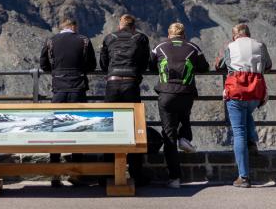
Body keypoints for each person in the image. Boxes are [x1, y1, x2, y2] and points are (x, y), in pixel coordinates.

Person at [150, 22, 209, 188]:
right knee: (184, 115)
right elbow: (204, 68)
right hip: (186, 93)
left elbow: (150, 64)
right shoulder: (193, 47)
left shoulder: (159, 47)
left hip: (166, 94)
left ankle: (174, 178)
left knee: (169, 136)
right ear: (184, 35)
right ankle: (185, 137)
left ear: (169, 34)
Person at [39, 17, 97, 186]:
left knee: (55, 131)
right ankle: (76, 174)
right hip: (77, 88)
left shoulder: (51, 40)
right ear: (74, 27)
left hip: (58, 89)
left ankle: (55, 175)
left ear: (61, 27)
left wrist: (56, 72)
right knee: (78, 130)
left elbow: (44, 64)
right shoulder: (84, 40)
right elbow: (91, 65)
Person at [215, 23, 272, 188]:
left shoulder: (230, 46)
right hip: (256, 92)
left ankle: (244, 177)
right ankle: (252, 141)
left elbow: (219, 65)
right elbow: (268, 65)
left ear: (234, 36)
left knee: (238, 133)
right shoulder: (260, 45)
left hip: (237, 90)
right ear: (248, 33)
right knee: (247, 112)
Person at [100, 14, 150, 185]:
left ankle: (108, 173)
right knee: (133, 128)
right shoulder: (140, 38)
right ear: (133, 26)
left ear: (119, 25)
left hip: (112, 84)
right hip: (131, 84)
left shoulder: (109, 38)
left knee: (109, 126)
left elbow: (103, 63)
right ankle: (136, 174)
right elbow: (145, 62)